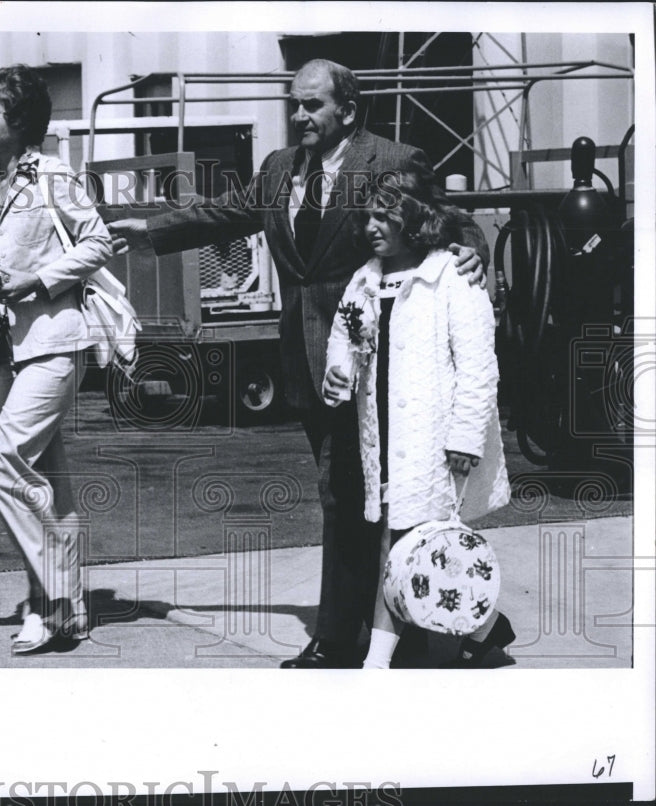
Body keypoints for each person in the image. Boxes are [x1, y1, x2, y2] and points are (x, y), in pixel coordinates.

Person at [109, 58, 489, 668]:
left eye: (312, 105)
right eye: (295, 103)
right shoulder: (280, 169)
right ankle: (442, 619)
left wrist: (473, 254)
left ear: (348, 109)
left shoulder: (391, 161)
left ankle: (342, 638)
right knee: (365, 495)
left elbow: (451, 221)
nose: (299, 115)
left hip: (374, 367)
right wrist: (151, 231)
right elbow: (225, 212)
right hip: (308, 360)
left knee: (351, 492)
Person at [322, 168, 513, 668]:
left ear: (418, 219)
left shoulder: (452, 276)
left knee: (402, 541)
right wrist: (336, 375)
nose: (372, 226)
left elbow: (478, 367)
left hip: (434, 438)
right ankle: (488, 626)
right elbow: (342, 342)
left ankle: (377, 664)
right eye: (368, 217)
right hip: (382, 436)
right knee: (422, 547)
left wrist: (466, 437)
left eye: (386, 216)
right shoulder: (364, 280)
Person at [0, 64, 113, 654]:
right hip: (5, 345)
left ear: (20, 121)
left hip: (54, 341)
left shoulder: (53, 177)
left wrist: (38, 279)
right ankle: (62, 608)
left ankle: (52, 597)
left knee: (5, 466)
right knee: (48, 480)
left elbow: (98, 242)